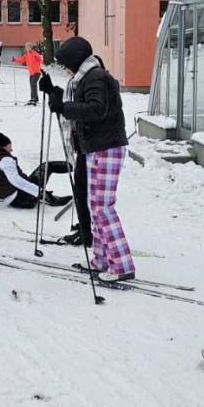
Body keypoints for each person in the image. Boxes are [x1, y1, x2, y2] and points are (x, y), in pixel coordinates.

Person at [40, 36, 134, 282]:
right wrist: (54, 92)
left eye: (66, 64)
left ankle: (122, 265)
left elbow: (95, 109)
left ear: (75, 59)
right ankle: (101, 259)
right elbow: (80, 103)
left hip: (106, 148)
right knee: (96, 208)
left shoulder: (96, 77)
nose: (66, 69)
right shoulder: (86, 78)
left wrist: (63, 107)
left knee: (103, 209)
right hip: (95, 148)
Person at [0, 132, 73, 209]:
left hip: (14, 201)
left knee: (42, 169)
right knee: (46, 166)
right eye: (9, 147)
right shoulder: (5, 160)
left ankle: (73, 168)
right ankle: (75, 167)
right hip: (24, 198)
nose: (11, 150)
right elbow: (15, 180)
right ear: (2, 147)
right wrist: (40, 192)